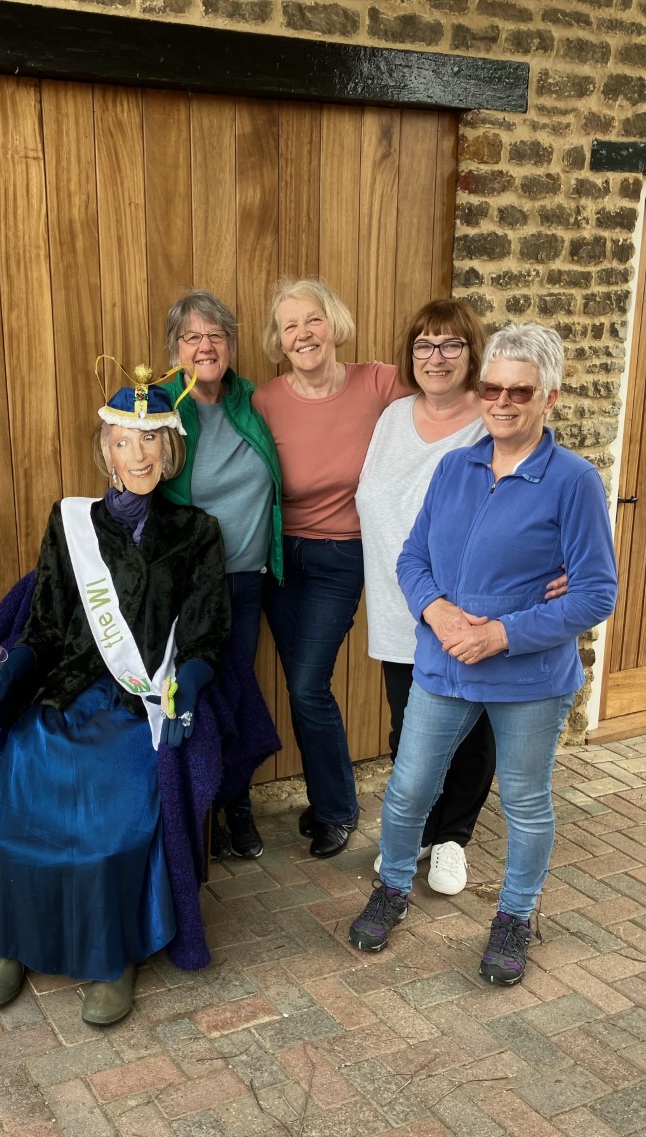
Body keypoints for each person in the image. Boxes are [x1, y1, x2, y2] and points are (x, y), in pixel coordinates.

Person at [0, 366, 230, 1025]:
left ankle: (114, 954)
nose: (136, 456)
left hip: (140, 701)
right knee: (21, 770)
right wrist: (8, 672)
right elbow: (46, 624)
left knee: (117, 800)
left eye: (150, 442)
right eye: (122, 442)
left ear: (171, 450)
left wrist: (186, 688)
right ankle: (15, 941)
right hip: (70, 688)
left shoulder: (198, 533)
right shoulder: (70, 522)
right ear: (104, 450)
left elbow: (206, 633)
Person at [348, 323, 617, 986]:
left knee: (525, 801)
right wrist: (436, 611)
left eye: (518, 391)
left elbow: (596, 591)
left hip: (528, 677)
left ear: (548, 397)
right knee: (409, 788)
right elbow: (412, 558)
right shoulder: (455, 466)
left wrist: (503, 634)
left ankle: (515, 917)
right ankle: (392, 888)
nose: (501, 401)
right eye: (491, 386)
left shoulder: (572, 482)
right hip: (442, 664)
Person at [356, 299, 567, 897]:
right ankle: (416, 831)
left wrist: (569, 568)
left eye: (451, 345)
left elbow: (550, 489)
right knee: (413, 730)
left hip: (476, 616)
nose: (437, 357)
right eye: (425, 345)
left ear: (473, 354)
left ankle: (454, 836)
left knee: (474, 737)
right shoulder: (394, 417)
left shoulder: (496, 412)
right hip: (407, 603)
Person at [253, 277, 408, 859]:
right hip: (277, 559)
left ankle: (339, 808)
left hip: (342, 556)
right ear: (279, 340)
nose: (302, 333)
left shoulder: (379, 382)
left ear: (333, 322)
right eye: (289, 326)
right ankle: (326, 800)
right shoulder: (265, 401)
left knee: (306, 683)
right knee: (302, 688)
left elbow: (450, 413)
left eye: (311, 319)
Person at [160, 289, 283, 861]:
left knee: (238, 687)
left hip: (247, 576)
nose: (205, 346)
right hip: (189, 582)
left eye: (216, 336)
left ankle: (237, 804)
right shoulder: (159, 407)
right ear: (174, 349)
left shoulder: (255, 400)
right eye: (193, 337)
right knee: (195, 689)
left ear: (230, 346)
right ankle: (199, 810)